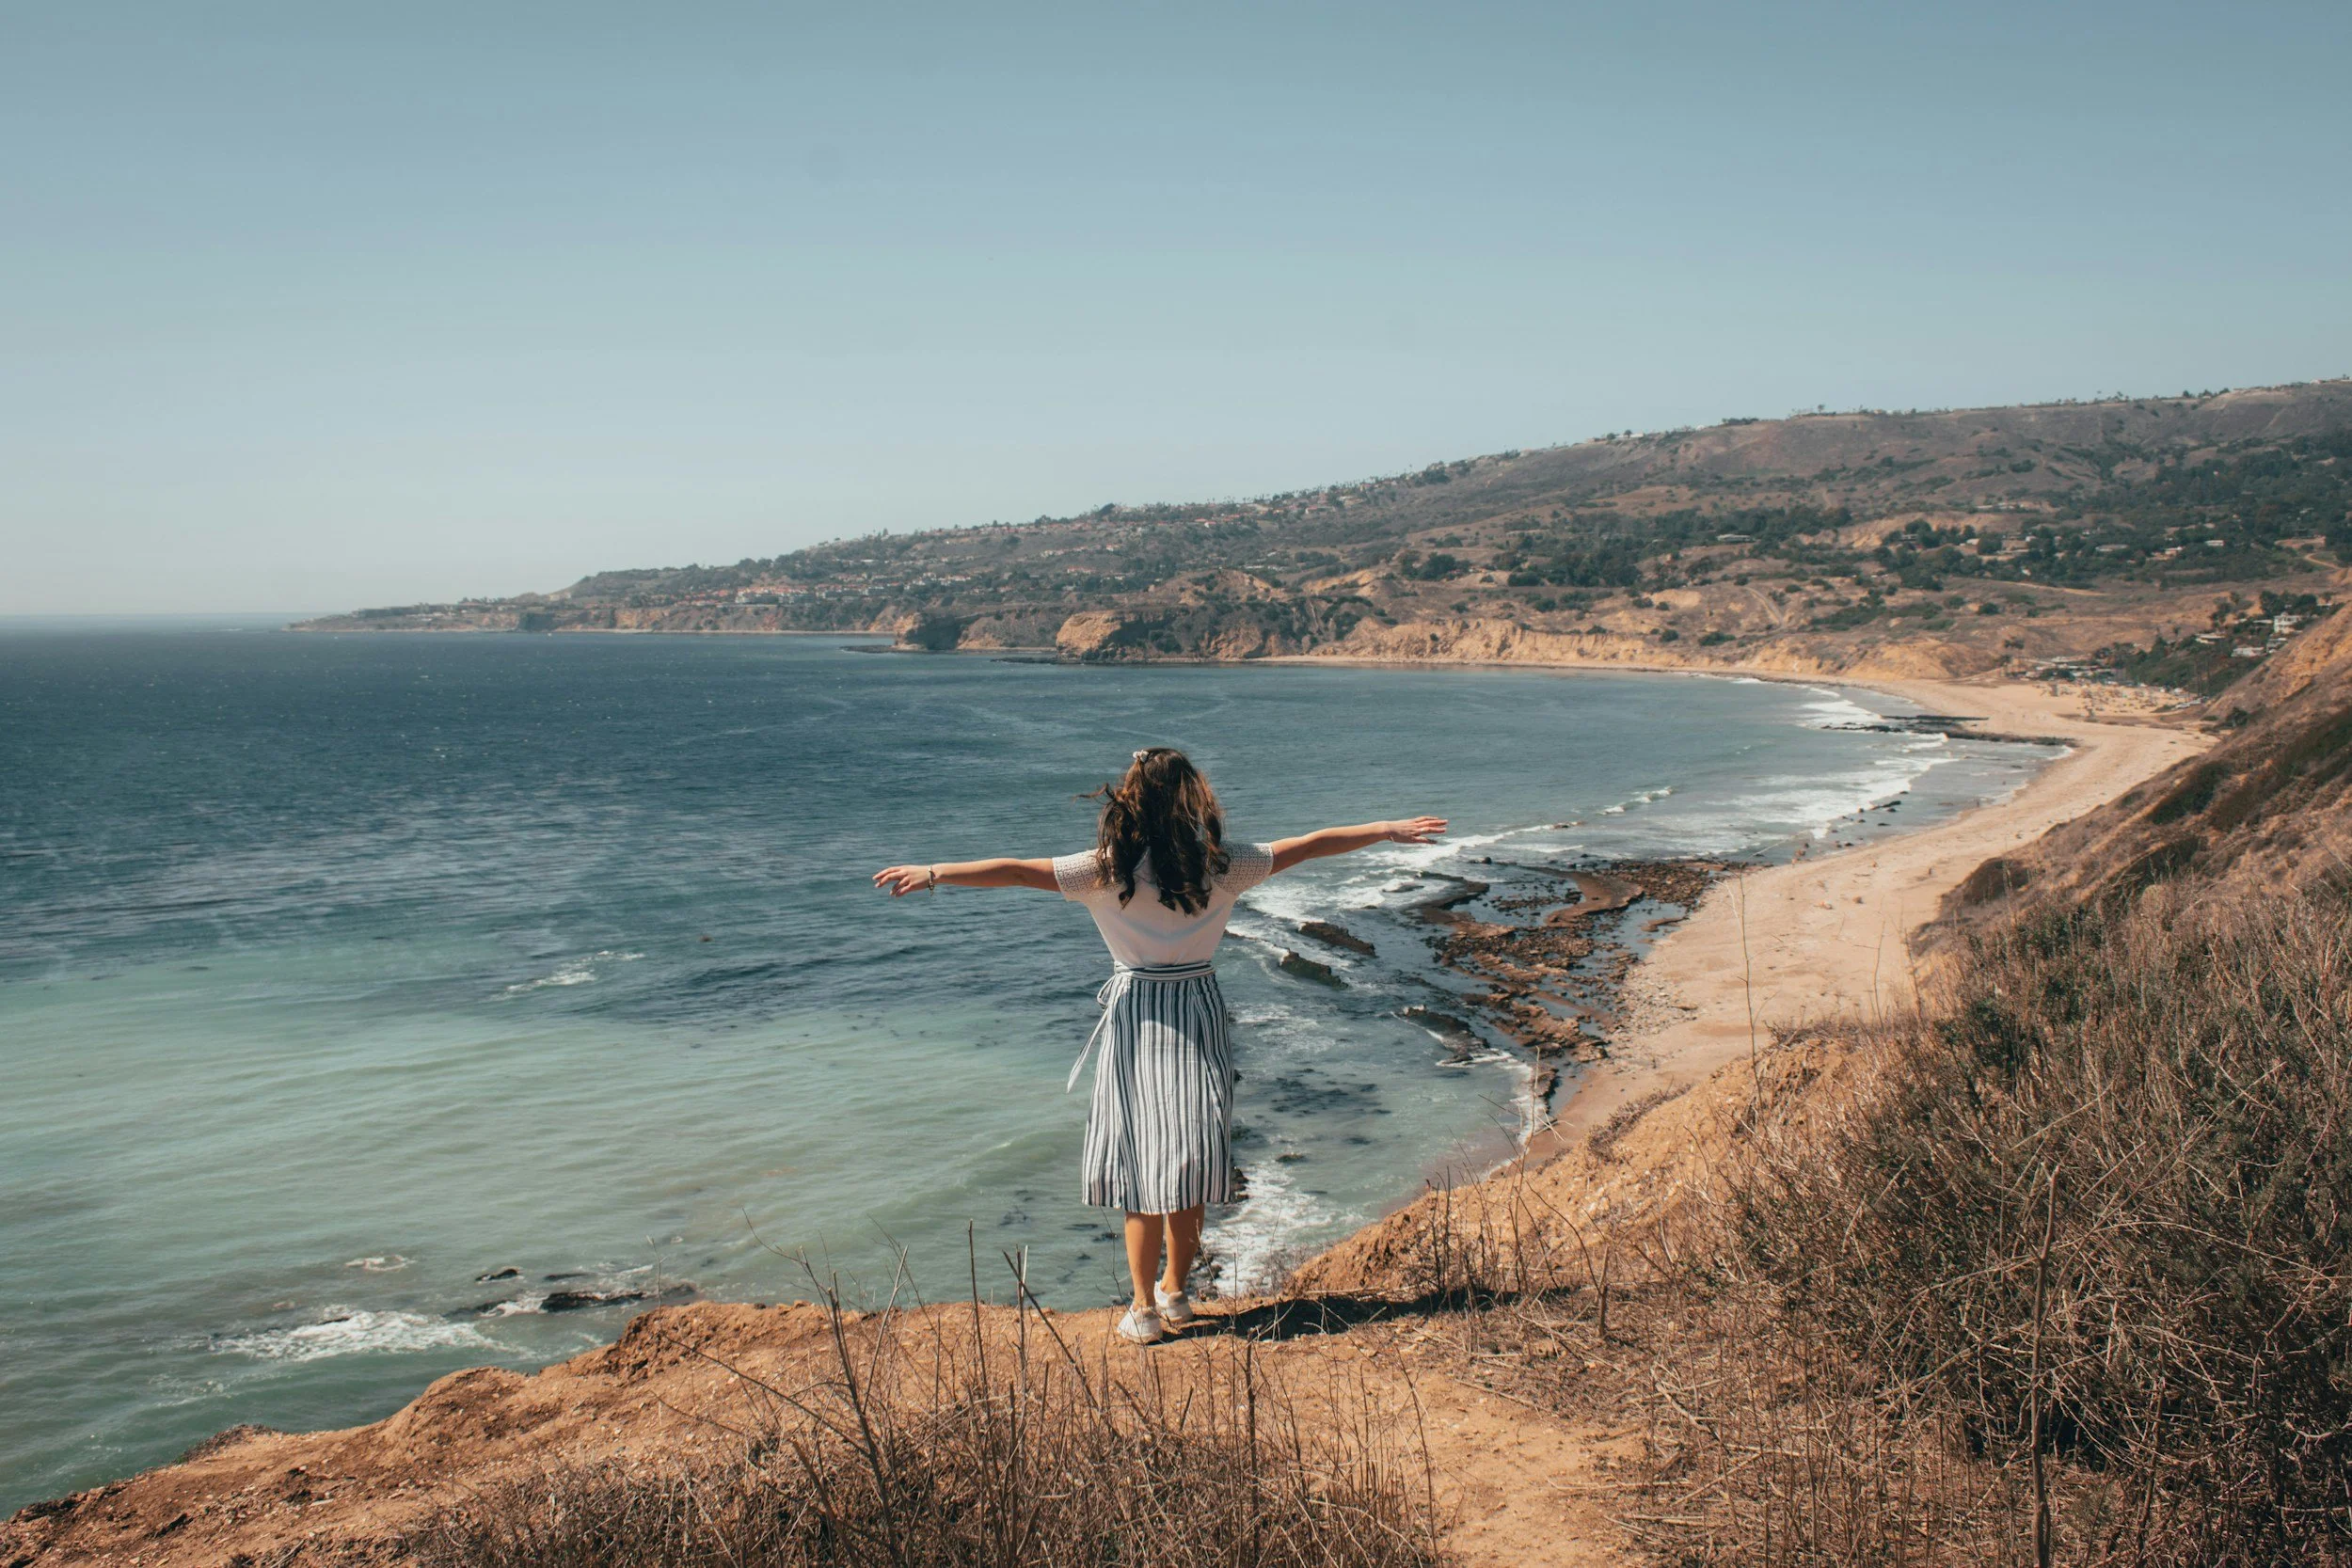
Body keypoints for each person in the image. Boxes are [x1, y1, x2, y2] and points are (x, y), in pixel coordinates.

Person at [875, 746, 1445, 1344]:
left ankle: (1143, 1308)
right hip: (1197, 1009)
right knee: (1188, 1157)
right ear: (1191, 800)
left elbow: (1017, 870)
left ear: (1131, 802)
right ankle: (1177, 1294)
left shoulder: (1105, 871)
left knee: (1138, 1164)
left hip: (1137, 1013)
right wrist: (1386, 829)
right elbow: (1310, 844)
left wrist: (936, 871)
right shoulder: (1223, 867)